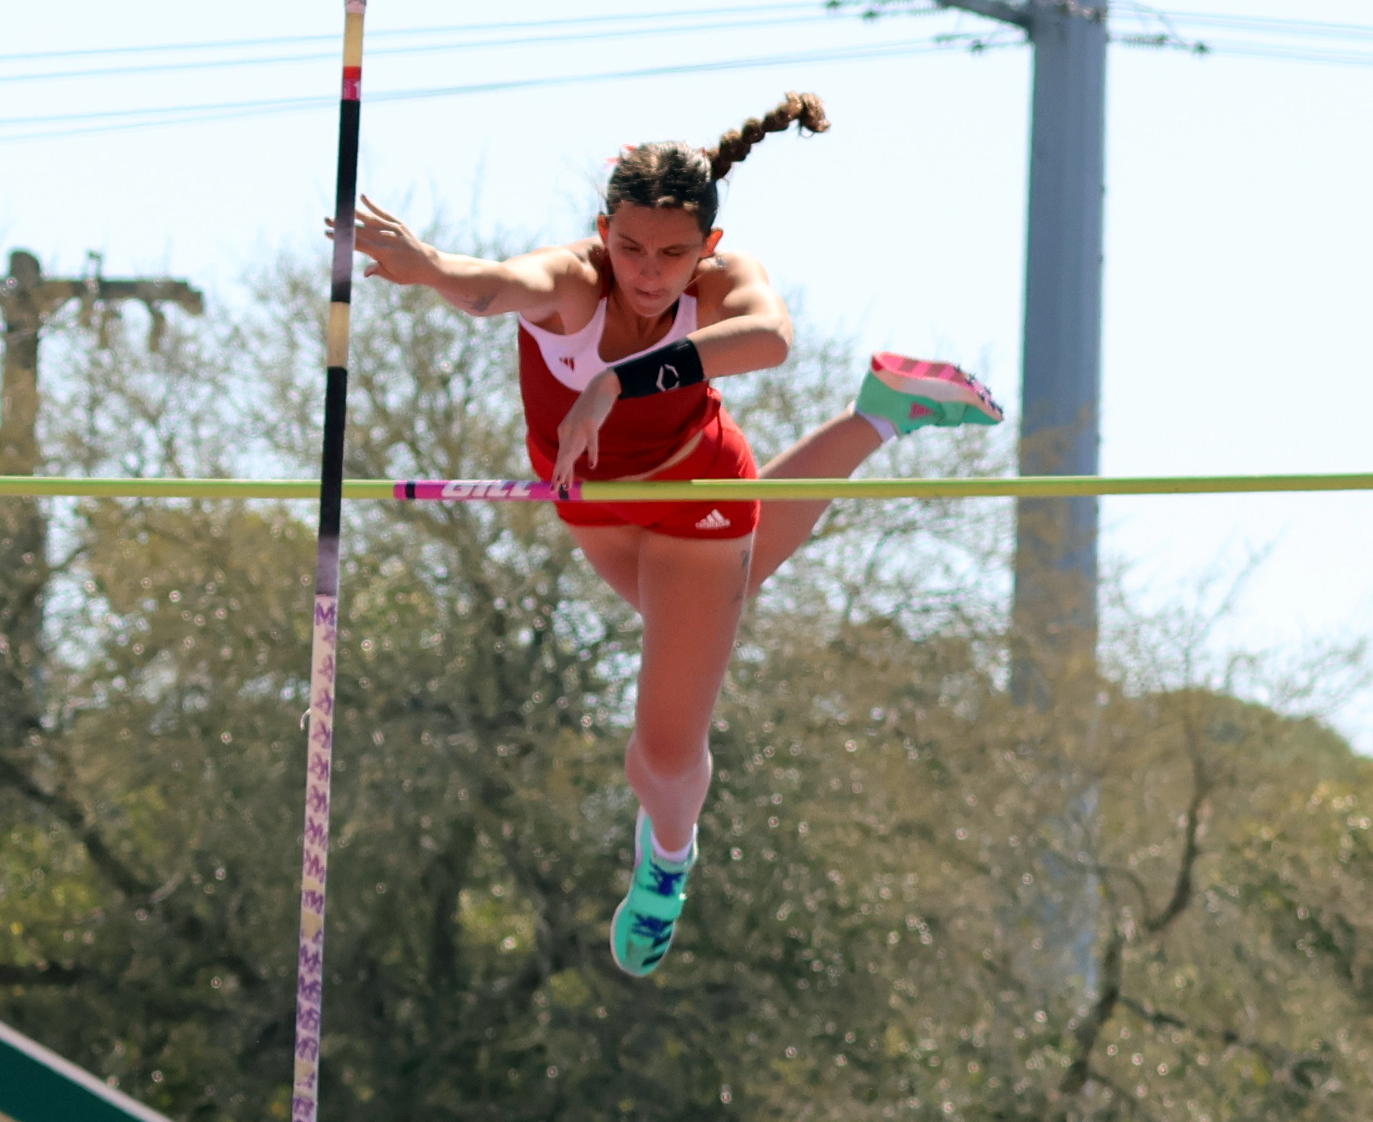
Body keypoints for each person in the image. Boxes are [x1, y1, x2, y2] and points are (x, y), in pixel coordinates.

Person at [346, 92, 1002, 976]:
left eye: (672, 254)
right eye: (628, 248)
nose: (648, 273)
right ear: (600, 230)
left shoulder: (725, 285)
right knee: (735, 590)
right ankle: (880, 412)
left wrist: (615, 382)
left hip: (697, 495)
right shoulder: (573, 283)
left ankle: (667, 861)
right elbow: (498, 288)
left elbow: (770, 339)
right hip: (594, 503)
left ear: (707, 250)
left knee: (661, 751)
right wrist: (430, 267)